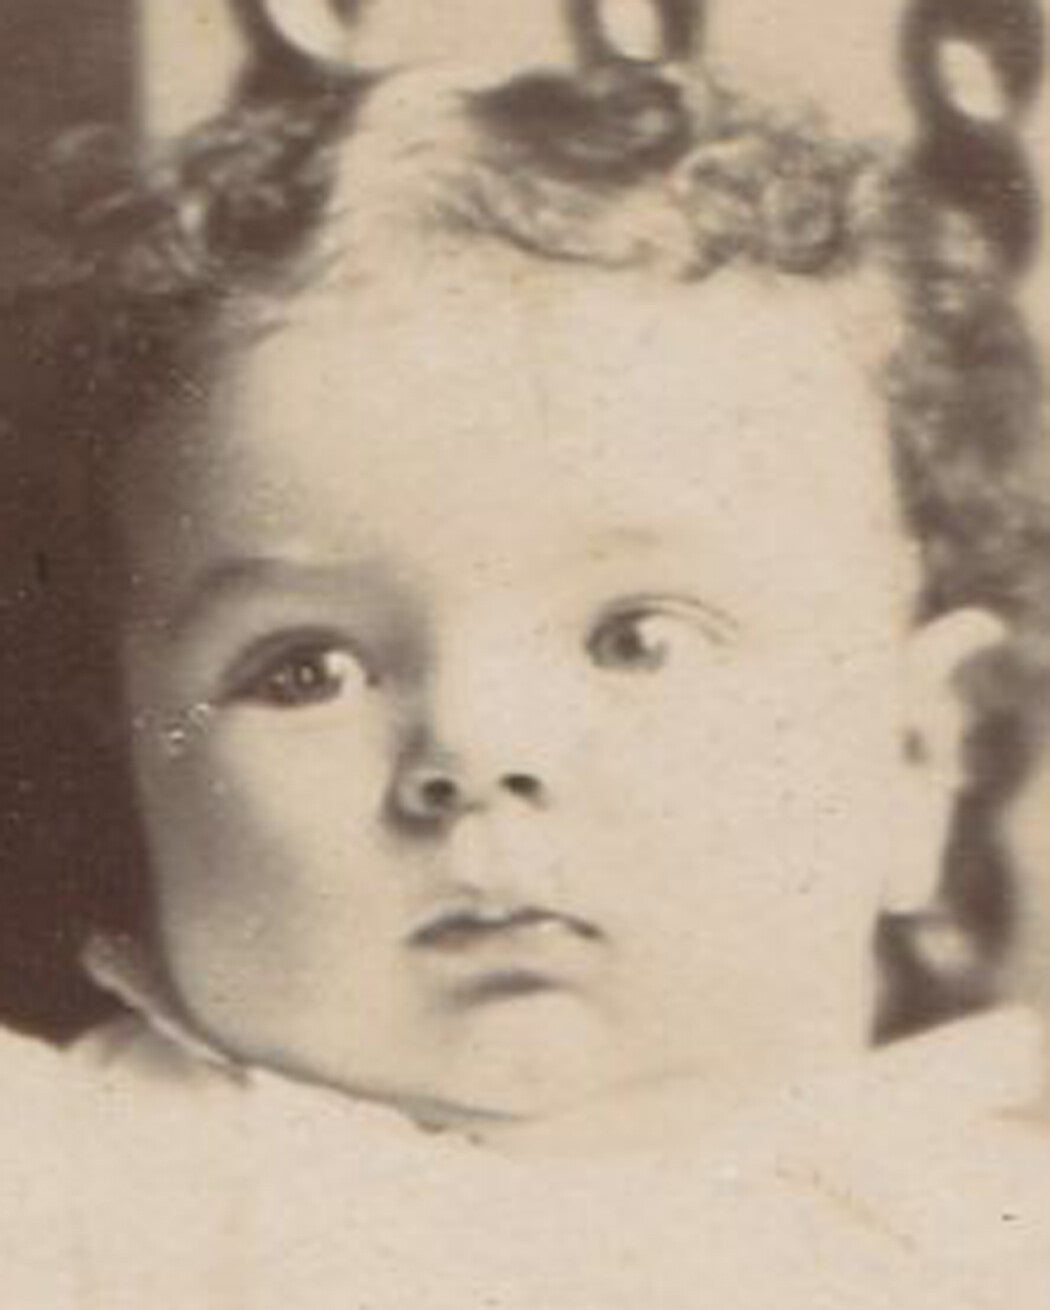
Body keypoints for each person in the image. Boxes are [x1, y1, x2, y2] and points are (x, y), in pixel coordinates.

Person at [1, 42, 1049, 1307]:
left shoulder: (991, 1213)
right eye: (306, 667)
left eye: (638, 637)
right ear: (130, 748)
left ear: (924, 750)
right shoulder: (78, 1180)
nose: (476, 748)